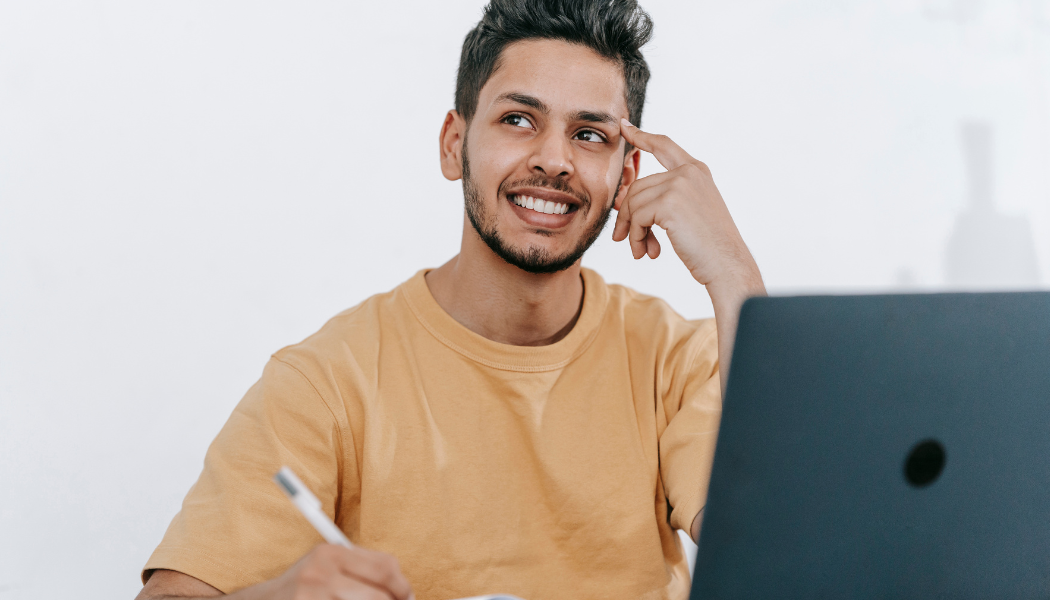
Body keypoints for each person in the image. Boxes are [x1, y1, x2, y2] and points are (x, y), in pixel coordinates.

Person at [136, 1, 765, 599]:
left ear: (626, 175)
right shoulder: (327, 381)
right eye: (518, 120)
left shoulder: (682, 363)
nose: (554, 159)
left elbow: (787, 556)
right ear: (452, 144)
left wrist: (734, 277)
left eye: (591, 135)